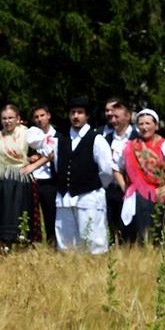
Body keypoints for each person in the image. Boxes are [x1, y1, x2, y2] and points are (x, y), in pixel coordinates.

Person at [0, 105, 51, 251]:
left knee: (19, 215)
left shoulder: (27, 134)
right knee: (0, 215)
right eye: (4, 118)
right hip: (0, 181)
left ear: (18, 119)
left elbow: (50, 153)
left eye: (11, 118)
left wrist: (32, 167)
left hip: (19, 182)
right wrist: (0, 167)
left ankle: (22, 250)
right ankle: (1, 250)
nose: (7, 122)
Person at [113, 109, 165, 242]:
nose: (144, 127)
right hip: (135, 198)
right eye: (141, 124)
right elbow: (116, 167)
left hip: (158, 196)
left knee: (158, 234)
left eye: (148, 123)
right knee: (135, 237)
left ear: (156, 125)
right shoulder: (129, 146)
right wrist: (124, 186)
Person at [54, 98, 114, 254]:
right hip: (65, 199)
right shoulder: (60, 141)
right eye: (73, 112)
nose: (75, 116)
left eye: (80, 113)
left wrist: (93, 185)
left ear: (86, 116)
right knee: (66, 244)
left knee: (93, 241)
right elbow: (57, 166)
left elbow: (106, 170)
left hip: (89, 197)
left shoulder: (97, 139)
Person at [104, 101, 138, 241]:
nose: (113, 120)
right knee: (113, 225)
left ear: (128, 116)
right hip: (111, 187)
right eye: (111, 117)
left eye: (117, 117)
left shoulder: (137, 136)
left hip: (132, 188)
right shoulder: (107, 138)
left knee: (130, 227)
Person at [30, 104, 59, 243]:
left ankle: (52, 243)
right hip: (34, 181)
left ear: (48, 116)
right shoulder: (30, 137)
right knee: (32, 216)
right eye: (36, 117)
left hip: (50, 182)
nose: (39, 119)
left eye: (42, 115)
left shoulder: (58, 137)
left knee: (51, 215)